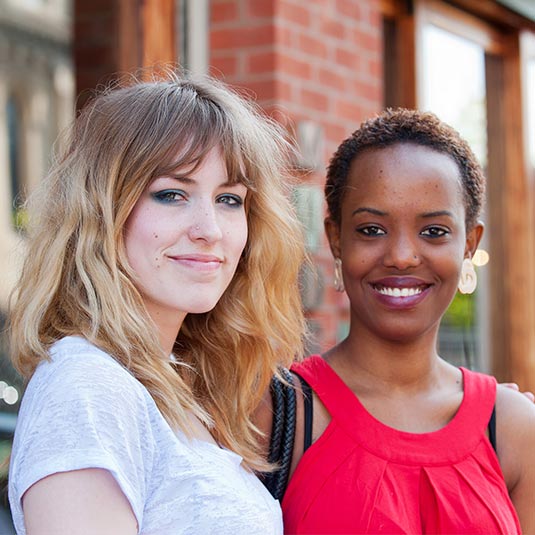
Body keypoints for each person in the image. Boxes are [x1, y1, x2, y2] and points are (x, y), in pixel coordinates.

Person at [7, 71, 306, 535]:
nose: (210, 228)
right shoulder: (87, 386)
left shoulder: (177, 385)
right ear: (102, 211)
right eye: (172, 194)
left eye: (230, 199)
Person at [272, 109, 535, 534]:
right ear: (336, 238)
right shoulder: (279, 414)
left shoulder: (514, 429)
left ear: (469, 244)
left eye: (433, 232)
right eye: (372, 230)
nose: (401, 255)